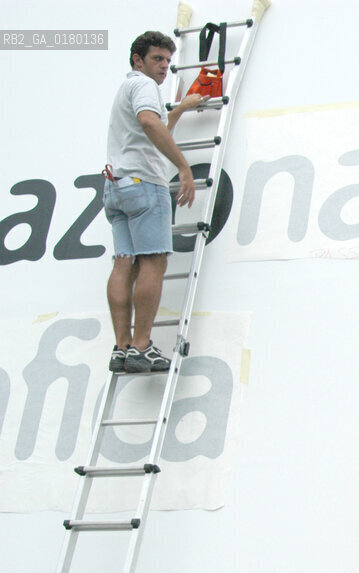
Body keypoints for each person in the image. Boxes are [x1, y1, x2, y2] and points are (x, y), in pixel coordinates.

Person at [104, 30, 204, 373]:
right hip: (145, 185)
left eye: (167, 60)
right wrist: (183, 166)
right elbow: (149, 122)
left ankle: (121, 346)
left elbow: (155, 124)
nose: (164, 66)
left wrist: (180, 108)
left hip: (118, 186)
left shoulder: (127, 89)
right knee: (153, 262)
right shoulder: (146, 86)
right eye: (157, 59)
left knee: (123, 263)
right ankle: (142, 345)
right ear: (138, 60)